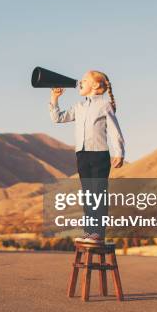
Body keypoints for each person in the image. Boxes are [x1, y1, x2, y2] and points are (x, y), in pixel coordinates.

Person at [49, 70, 125, 243]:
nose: (80, 82)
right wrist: (55, 98)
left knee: (98, 194)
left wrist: (119, 152)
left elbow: (114, 130)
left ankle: (98, 233)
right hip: (82, 155)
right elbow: (58, 118)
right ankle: (89, 232)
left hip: (99, 155)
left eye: (84, 80)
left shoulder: (104, 105)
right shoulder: (79, 106)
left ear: (96, 85)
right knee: (88, 194)